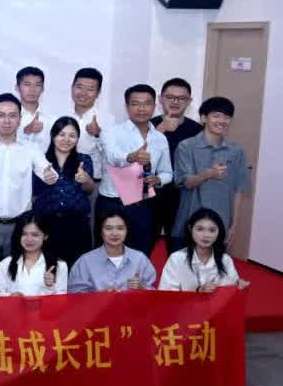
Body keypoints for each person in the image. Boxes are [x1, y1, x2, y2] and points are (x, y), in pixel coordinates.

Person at [0, 93, 55, 263]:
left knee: (15, 272)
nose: (7, 121)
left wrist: (49, 175)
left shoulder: (30, 148)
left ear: (20, 119)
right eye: (1, 115)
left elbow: (46, 169)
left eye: (12, 116)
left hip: (20, 227)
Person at [97, 84, 173, 255]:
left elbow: (167, 172)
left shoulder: (160, 138)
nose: (141, 108)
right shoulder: (111, 131)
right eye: (135, 103)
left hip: (142, 204)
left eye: (147, 103)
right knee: (106, 254)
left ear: (155, 106)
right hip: (113, 202)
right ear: (126, 106)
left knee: (140, 252)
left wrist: (158, 179)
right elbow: (113, 157)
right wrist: (132, 157)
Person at [171, 97, 251, 250]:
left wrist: (234, 224)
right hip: (190, 220)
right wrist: (208, 174)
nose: (222, 121)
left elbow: (239, 190)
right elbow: (186, 182)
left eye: (226, 117)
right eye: (216, 115)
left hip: (221, 222)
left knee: (216, 263)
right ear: (203, 118)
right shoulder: (186, 146)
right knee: (185, 262)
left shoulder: (236, 151)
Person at [32, 117, 95, 266]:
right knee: (49, 271)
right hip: (46, 226)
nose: (66, 139)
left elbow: (89, 190)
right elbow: (33, 193)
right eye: (61, 134)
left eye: (72, 135)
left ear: (77, 138)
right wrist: (42, 180)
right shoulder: (40, 160)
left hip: (77, 225)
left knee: (77, 271)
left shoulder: (84, 160)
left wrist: (86, 179)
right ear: (53, 136)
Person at [151, 78, 203, 251]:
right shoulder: (148, 125)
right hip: (150, 194)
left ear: (189, 101)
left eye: (181, 98)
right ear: (160, 99)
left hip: (182, 196)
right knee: (143, 244)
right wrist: (161, 129)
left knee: (179, 248)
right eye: (169, 97)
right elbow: (136, 159)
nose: (175, 101)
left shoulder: (197, 130)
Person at [160, 208, 249, 292]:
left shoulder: (225, 260)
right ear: (190, 229)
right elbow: (166, 295)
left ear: (219, 232)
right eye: (200, 229)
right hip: (184, 304)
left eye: (212, 230)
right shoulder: (177, 258)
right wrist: (199, 292)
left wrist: (239, 286)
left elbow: (230, 293)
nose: (206, 235)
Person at [68, 209, 156, 293]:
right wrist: (101, 295)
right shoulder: (85, 261)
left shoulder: (140, 259)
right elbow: (74, 294)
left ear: (127, 231)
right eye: (108, 228)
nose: (114, 233)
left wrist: (141, 288)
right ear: (101, 232)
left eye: (120, 228)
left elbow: (154, 294)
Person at [0, 213, 68, 296]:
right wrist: (11, 297)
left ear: (45, 236)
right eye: (24, 234)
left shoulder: (60, 265)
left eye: (35, 235)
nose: (29, 239)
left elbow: (61, 299)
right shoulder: (5, 263)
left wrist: (49, 287)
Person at [68, 67, 113, 183]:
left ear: (98, 93)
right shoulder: (61, 116)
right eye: (79, 87)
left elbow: (113, 156)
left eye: (90, 89)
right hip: (63, 179)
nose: (83, 93)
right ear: (72, 88)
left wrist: (98, 135)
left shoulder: (108, 119)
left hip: (93, 180)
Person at [16, 66, 51, 153]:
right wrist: (26, 131)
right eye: (27, 84)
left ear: (43, 89)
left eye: (37, 85)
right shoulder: (5, 116)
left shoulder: (50, 119)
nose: (32, 90)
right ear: (17, 87)